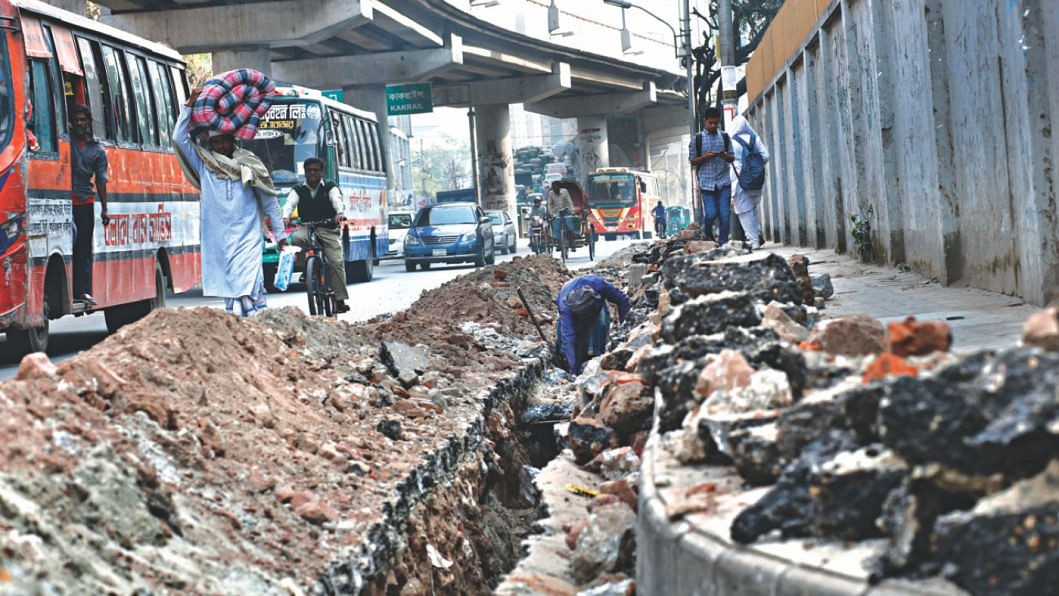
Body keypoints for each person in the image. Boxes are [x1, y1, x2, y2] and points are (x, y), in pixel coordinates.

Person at [173, 90, 286, 317]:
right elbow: (178, 139)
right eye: (214, 142)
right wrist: (188, 107)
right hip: (219, 241)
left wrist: (281, 235)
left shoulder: (250, 165)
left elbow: (270, 202)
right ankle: (239, 327)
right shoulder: (205, 165)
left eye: (223, 141)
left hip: (248, 239)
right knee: (231, 289)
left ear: (231, 140)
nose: (219, 146)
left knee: (248, 285)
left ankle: (256, 323)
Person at [282, 157, 349, 314]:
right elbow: (289, 204)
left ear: (321, 172)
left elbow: (336, 200)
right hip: (307, 227)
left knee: (336, 261)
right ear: (305, 172)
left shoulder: (330, 187)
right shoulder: (298, 189)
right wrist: (285, 216)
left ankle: (340, 299)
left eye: (315, 170)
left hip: (328, 229)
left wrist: (339, 213)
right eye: (309, 170)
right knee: (296, 239)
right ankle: (307, 269)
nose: (312, 173)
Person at [69, 105, 109, 306]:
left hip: (84, 202)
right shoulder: (65, 143)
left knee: (83, 247)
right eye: (76, 120)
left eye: (83, 120)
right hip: (64, 201)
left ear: (89, 122)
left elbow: (101, 180)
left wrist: (105, 209)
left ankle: (83, 291)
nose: (79, 123)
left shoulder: (97, 150)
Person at [556, 275, 630, 375]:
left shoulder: (598, 284)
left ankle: (599, 362)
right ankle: (575, 367)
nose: (582, 318)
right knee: (573, 345)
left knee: (600, 331)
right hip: (572, 314)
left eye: (583, 315)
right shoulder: (566, 309)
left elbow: (623, 299)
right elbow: (568, 340)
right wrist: (572, 371)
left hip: (596, 310)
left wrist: (625, 330)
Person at [689, 107, 734, 244]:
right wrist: (706, 157)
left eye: (716, 123)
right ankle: (707, 234)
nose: (713, 126)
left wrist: (724, 156)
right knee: (711, 213)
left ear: (719, 121)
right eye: (711, 123)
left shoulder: (725, 137)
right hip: (706, 183)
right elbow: (692, 161)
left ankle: (722, 243)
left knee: (725, 214)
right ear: (705, 122)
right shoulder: (697, 139)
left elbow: (732, 157)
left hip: (724, 182)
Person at [729, 115, 771, 250]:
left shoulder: (732, 143)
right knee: (752, 209)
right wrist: (754, 166)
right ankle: (757, 235)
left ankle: (754, 241)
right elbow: (765, 156)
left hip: (739, 182)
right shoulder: (754, 139)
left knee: (744, 212)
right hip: (755, 180)